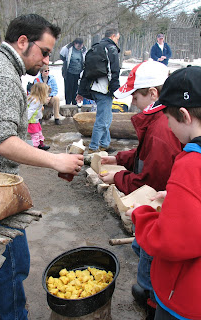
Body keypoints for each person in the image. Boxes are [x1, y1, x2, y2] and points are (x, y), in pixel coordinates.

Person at [0, 14, 84, 320]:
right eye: (44, 52)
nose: (46, 60)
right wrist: (55, 159)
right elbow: (1, 140)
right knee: (12, 267)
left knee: (9, 267)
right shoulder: (2, 75)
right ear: (23, 42)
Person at [99, 61, 182, 319]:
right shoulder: (158, 120)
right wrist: (120, 158)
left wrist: (118, 178)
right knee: (141, 247)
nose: (133, 101)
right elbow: (146, 154)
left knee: (150, 251)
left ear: (153, 94)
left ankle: (151, 298)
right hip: (160, 199)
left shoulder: (160, 129)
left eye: (136, 95)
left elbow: (150, 183)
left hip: (159, 206)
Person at [126, 65, 201, 320]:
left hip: (185, 300)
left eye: (168, 119)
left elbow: (170, 242)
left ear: (184, 115)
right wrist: (180, 199)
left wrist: (142, 214)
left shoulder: (190, 163)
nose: (167, 125)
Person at [76, 29, 121, 153]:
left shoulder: (95, 48)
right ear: (112, 36)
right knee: (102, 120)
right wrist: (115, 90)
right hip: (104, 89)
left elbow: (85, 72)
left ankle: (104, 143)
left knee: (106, 117)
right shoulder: (110, 48)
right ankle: (93, 147)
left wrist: (80, 91)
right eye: (117, 38)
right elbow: (114, 71)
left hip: (94, 87)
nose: (117, 41)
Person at [60, 37, 86, 105]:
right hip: (69, 72)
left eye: (81, 46)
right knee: (69, 88)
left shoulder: (83, 50)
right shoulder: (68, 48)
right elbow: (62, 56)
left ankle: (74, 102)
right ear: (75, 44)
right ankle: (68, 103)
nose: (79, 47)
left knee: (75, 88)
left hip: (78, 72)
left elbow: (84, 59)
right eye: (78, 46)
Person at [27, 82, 50, 151]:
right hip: (32, 121)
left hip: (35, 120)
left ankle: (40, 144)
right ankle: (35, 148)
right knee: (35, 135)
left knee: (39, 132)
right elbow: (30, 111)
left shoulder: (35, 99)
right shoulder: (36, 101)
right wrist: (26, 119)